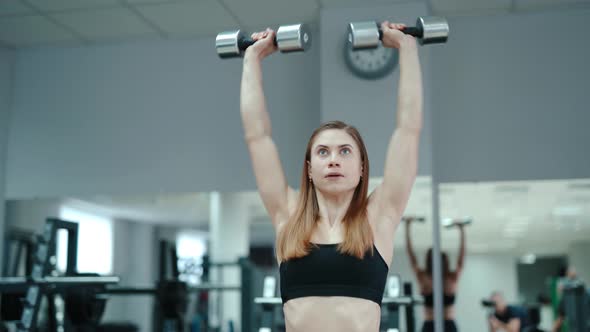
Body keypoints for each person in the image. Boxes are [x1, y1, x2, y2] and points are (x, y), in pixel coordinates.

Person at [239, 21, 423, 332]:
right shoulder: (288, 215)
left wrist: (406, 47)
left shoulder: (378, 218)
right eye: (323, 152)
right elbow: (257, 136)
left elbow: (409, 129)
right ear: (309, 169)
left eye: (345, 152)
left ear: (363, 167)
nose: (334, 160)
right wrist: (252, 59)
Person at [405, 218, 466, 332]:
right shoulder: (449, 279)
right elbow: (461, 261)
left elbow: (411, 257)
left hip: (441, 324)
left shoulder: (428, 278)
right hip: (433, 324)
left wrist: (407, 227)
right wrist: (462, 230)